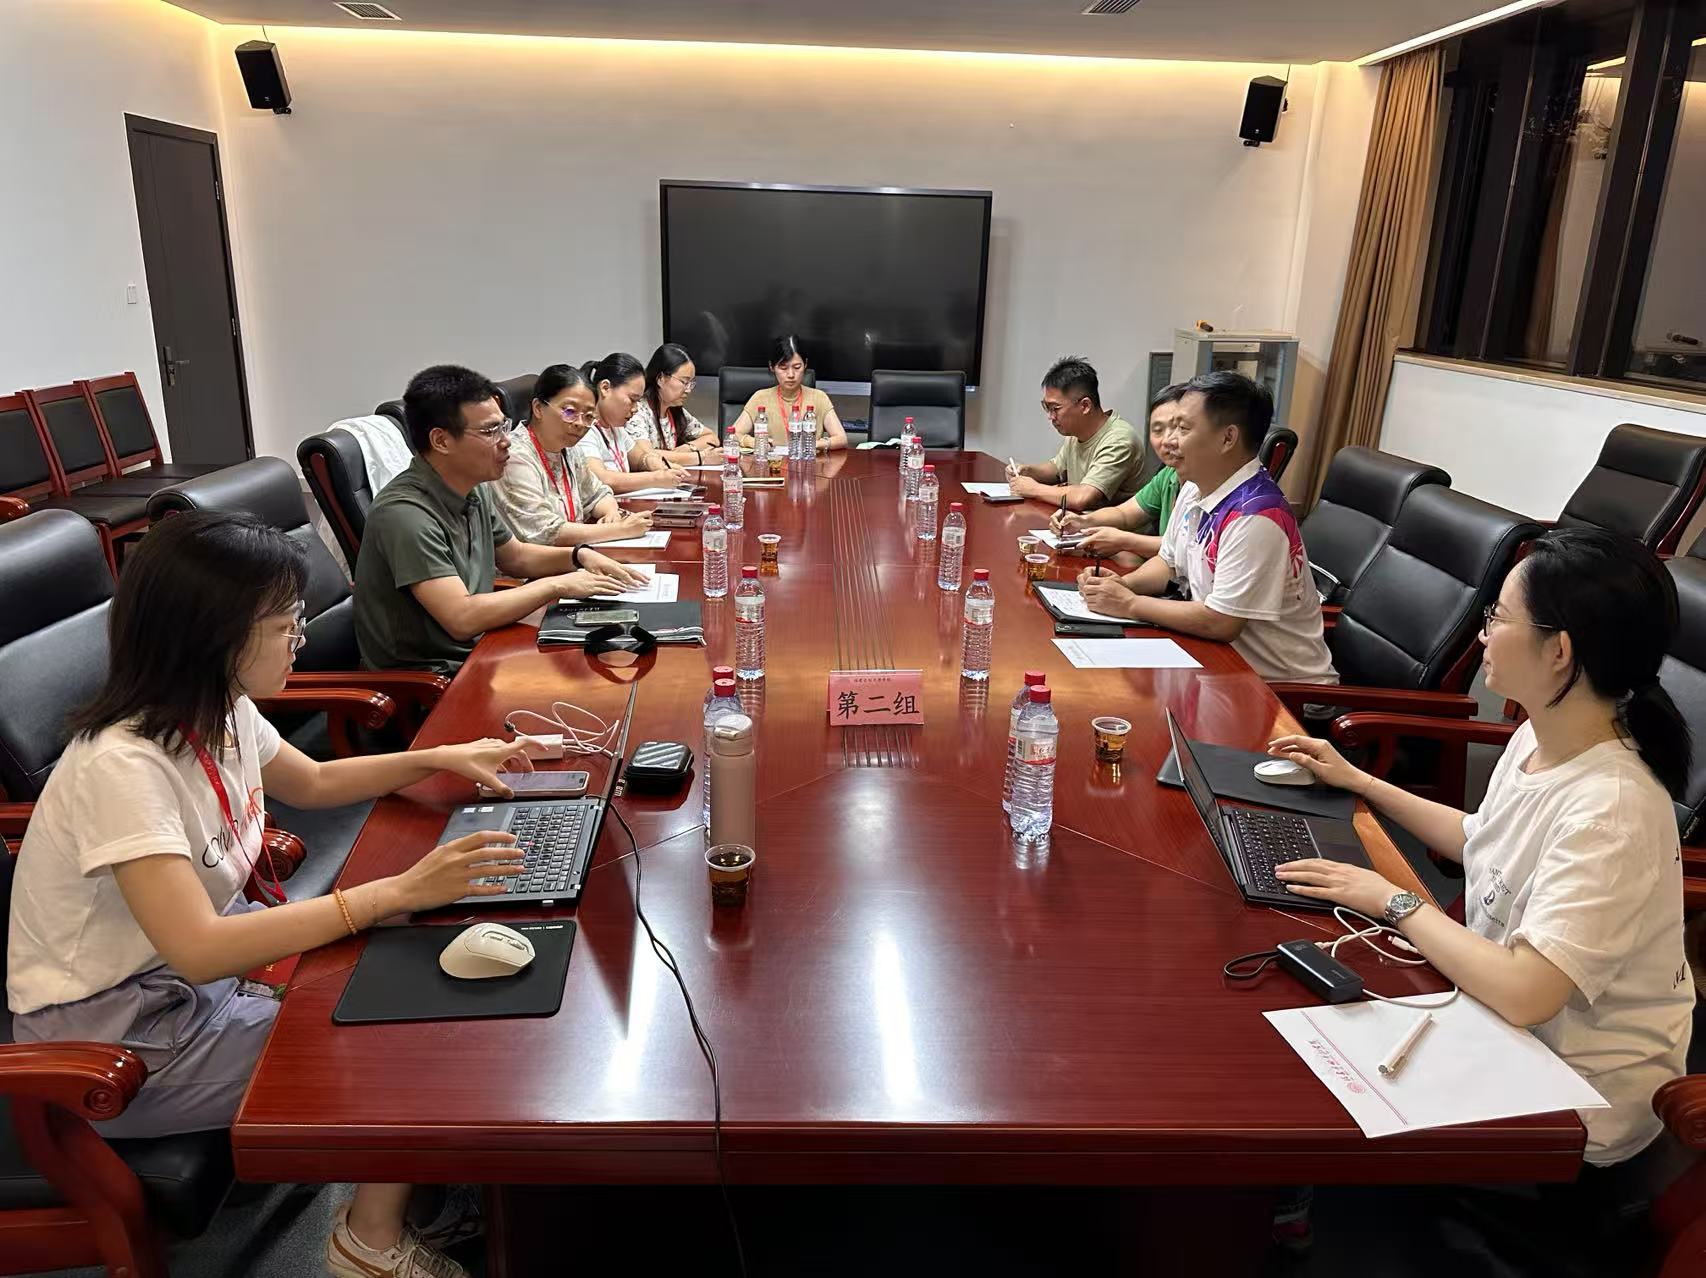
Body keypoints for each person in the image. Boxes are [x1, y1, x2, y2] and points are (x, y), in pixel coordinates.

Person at [6, 512, 533, 1278]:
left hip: (197, 982)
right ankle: (368, 1243)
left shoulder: (216, 707)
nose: (300, 640)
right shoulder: (122, 769)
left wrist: (439, 757)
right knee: (401, 1036)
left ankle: (422, 1192)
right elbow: (198, 947)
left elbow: (311, 780)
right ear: (215, 635)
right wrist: (389, 892)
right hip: (124, 1033)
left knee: (411, 967)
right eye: (286, 625)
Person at [1269, 527, 1694, 1264]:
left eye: (1498, 616)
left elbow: (1529, 993)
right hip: (1496, 1022)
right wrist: (1358, 781)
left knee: (1308, 1081)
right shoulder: (1544, 736)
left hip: (1573, 1098)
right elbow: (1482, 838)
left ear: (1560, 651)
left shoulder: (1613, 808)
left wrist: (1393, 902)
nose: (1483, 632)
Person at [354, 364, 646, 674]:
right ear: (441, 441)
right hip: (435, 677)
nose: (506, 441)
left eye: (503, 426)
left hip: (483, 646)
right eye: (489, 431)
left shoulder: (473, 488)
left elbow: (516, 557)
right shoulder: (405, 514)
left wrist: (579, 556)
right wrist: (558, 585)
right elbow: (461, 618)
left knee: (619, 648)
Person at [1075, 371, 1336, 684]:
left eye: (1183, 429)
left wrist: (1129, 603)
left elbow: (1221, 622)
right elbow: (1168, 563)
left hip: (1277, 690)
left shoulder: (1256, 516)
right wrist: (1122, 585)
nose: (1169, 441)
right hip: (1215, 663)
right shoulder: (1195, 487)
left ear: (1227, 438)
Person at [494, 364, 654, 547]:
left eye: (588, 416)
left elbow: (597, 493)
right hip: (539, 562)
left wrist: (611, 512)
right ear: (538, 408)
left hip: (574, 554)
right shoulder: (513, 456)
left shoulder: (569, 449)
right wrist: (619, 529)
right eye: (569, 412)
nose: (579, 423)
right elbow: (544, 531)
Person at [1051, 382, 1187, 565]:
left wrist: (1123, 541)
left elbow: (1185, 549)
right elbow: (1124, 513)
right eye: (1158, 430)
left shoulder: (1208, 486)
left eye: (1182, 428)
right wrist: (1082, 521)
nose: (1168, 440)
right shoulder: (1169, 474)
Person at [1007, 356, 1142, 511]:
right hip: (1079, 521)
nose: (1050, 416)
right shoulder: (1076, 432)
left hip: (1112, 526)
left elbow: (1083, 497)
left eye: (1055, 408)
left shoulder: (1119, 440)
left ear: (1085, 406)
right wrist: (1028, 471)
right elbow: (1057, 469)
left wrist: (1034, 489)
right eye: (1047, 408)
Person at [575, 352, 694, 494]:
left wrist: (654, 463)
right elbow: (601, 479)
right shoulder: (584, 428)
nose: (635, 408)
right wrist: (656, 478)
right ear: (605, 388)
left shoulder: (615, 428)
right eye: (632, 399)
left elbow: (639, 458)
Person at [729, 334, 849, 452]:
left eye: (797, 367)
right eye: (783, 368)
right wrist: (756, 442)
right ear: (771, 367)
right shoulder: (760, 398)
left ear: (805, 364)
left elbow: (841, 439)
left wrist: (815, 444)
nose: (791, 375)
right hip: (771, 463)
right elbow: (733, 434)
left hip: (807, 462)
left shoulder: (819, 397)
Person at [631, 343, 720, 464]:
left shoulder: (674, 410)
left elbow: (712, 438)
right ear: (660, 378)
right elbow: (646, 454)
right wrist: (700, 457)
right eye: (684, 382)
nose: (688, 390)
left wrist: (687, 448)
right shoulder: (636, 410)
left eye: (691, 383)